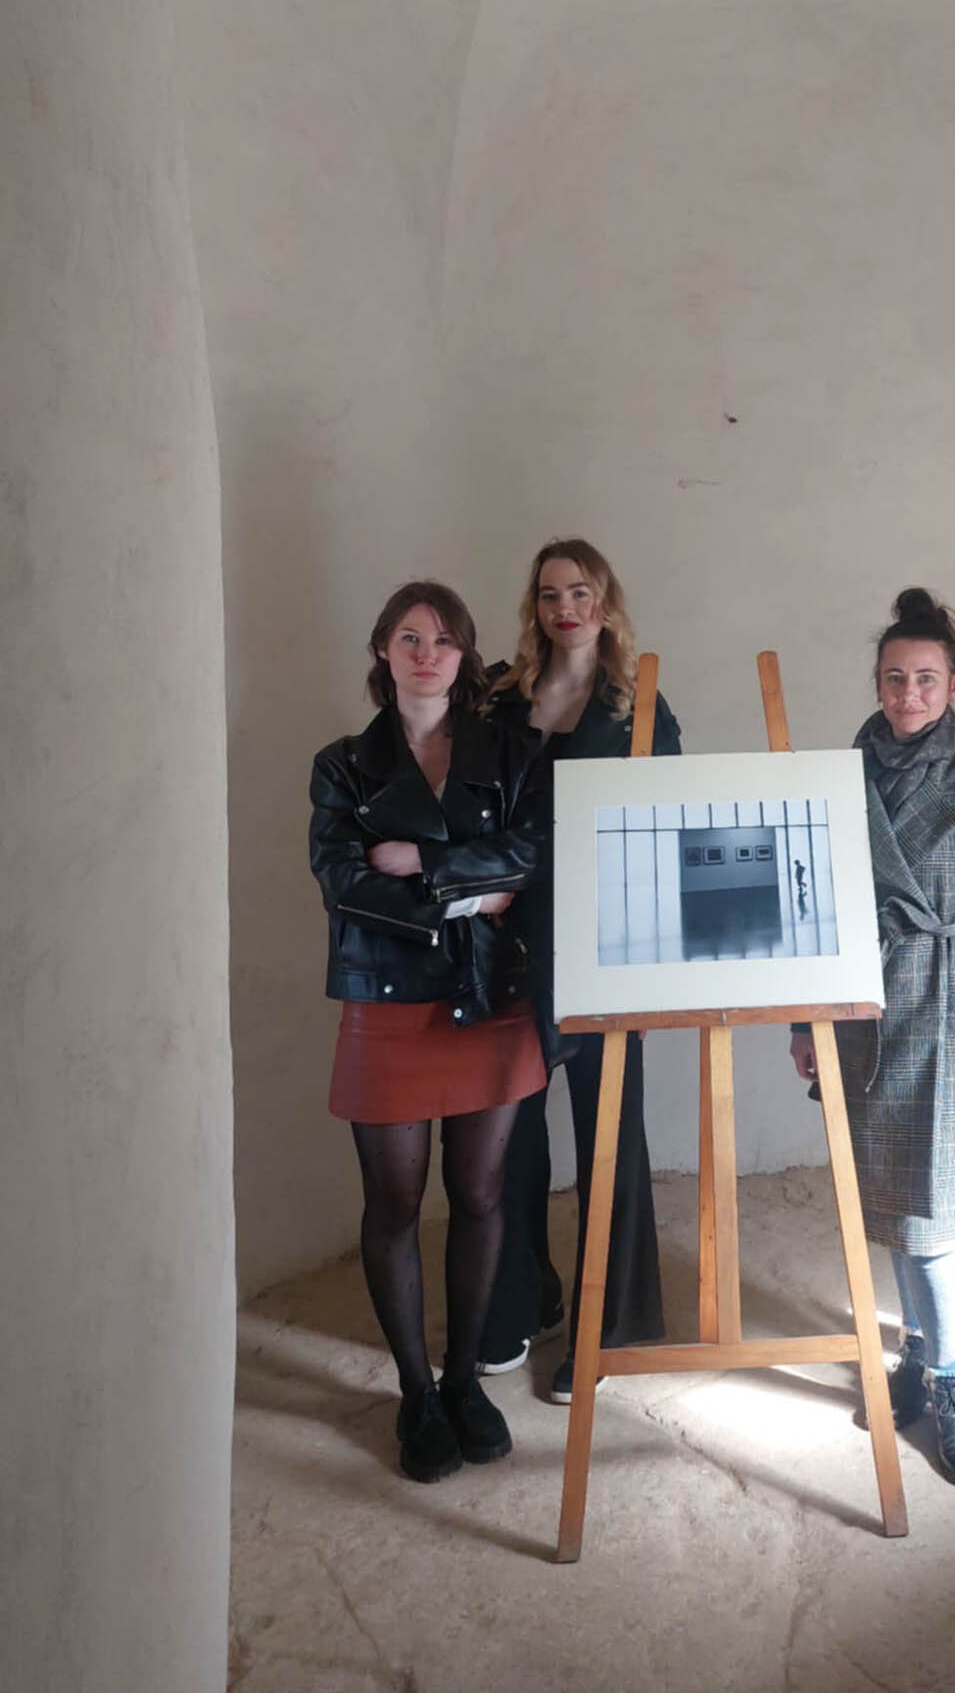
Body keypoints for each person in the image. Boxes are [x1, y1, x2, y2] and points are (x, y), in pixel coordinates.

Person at [789, 588, 955, 1487]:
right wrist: (805, 1019)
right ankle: (918, 1354)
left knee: (933, 1219)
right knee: (887, 1204)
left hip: (945, 1011)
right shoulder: (840, 776)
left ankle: (952, 1382)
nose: (909, 694)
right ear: (877, 681)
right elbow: (814, 905)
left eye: (926, 678)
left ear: (954, 684)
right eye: (895, 678)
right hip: (862, 1011)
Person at [308, 580, 544, 1483]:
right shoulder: (343, 764)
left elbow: (531, 855)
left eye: (443, 640)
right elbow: (344, 885)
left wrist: (428, 865)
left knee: (480, 1196)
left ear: (464, 655)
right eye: (408, 637)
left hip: (490, 999)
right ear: (382, 649)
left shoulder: (510, 751)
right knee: (395, 1205)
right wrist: (474, 894)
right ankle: (415, 1392)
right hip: (389, 1001)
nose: (426, 654)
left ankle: (462, 1381)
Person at [477, 538, 680, 1402]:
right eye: (550, 594)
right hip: (509, 945)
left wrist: (653, 970)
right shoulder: (500, 696)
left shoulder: (640, 705)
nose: (566, 608)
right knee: (509, 1137)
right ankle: (524, 1298)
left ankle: (611, 1324)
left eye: (581, 592)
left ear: (606, 602)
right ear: (535, 605)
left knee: (608, 1136)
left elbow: (666, 840)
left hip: (605, 950)